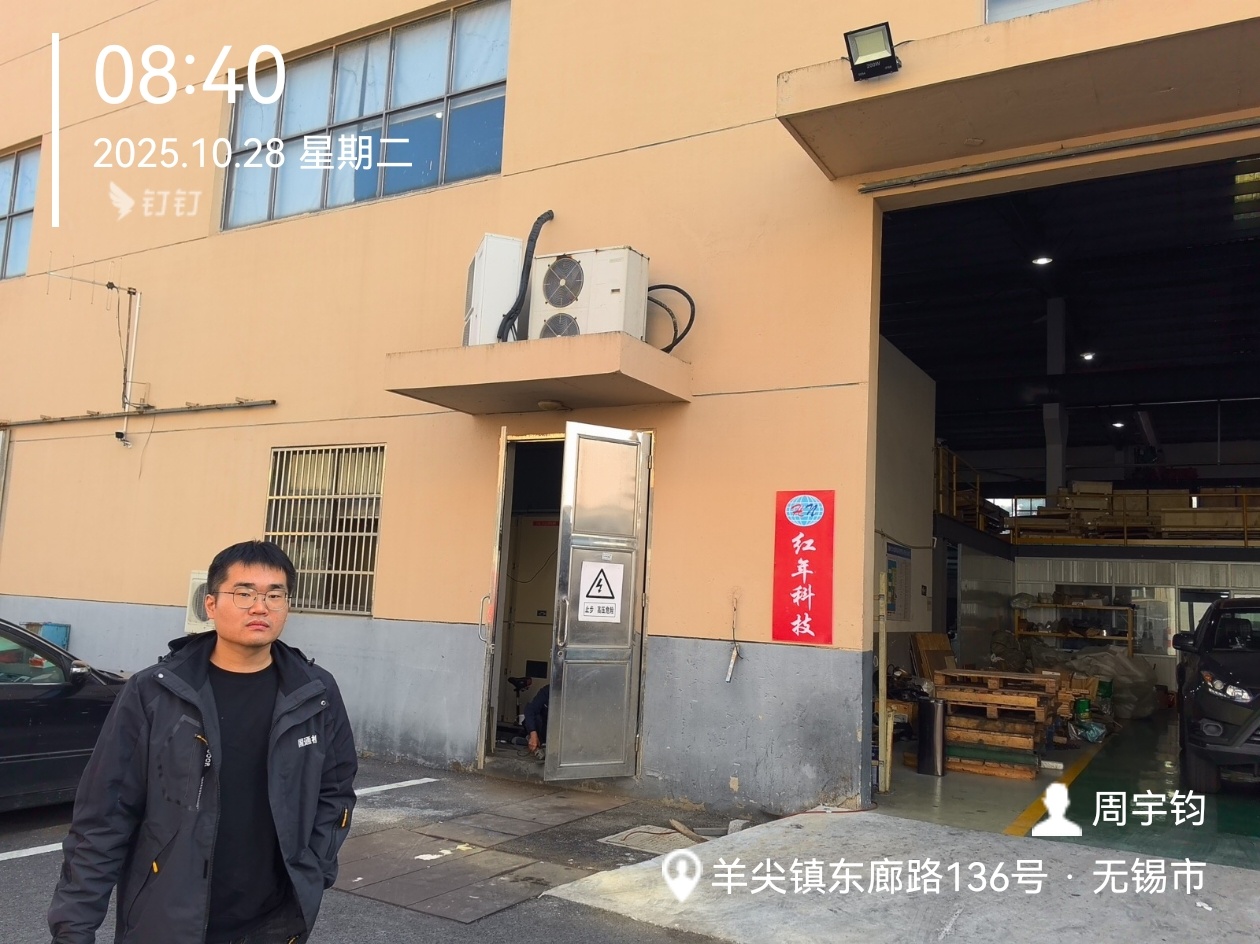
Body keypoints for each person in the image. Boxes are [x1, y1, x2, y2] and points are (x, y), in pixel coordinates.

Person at [48, 540, 358, 944]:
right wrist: (73, 929)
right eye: (244, 593)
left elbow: (335, 790)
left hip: (273, 921)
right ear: (210, 604)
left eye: (274, 595)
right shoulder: (156, 693)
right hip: (167, 919)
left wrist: (314, 867)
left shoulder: (314, 692)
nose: (260, 607)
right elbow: (105, 816)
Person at [523, 684, 550, 755]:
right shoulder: (547, 690)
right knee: (536, 717)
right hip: (545, 729)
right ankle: (534, 740)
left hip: (565, 732)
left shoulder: (574, 693)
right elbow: (530, 710)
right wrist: (533, 733)